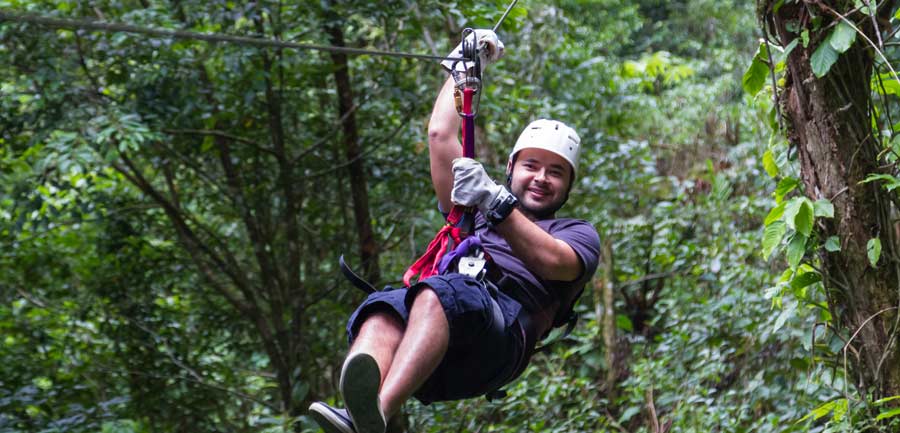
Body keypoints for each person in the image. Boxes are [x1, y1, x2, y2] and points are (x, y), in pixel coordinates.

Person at [308, 30, 600, 433]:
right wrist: (461, 65)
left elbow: (553, 261)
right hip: (436, 350)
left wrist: (495, 203)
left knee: (438, 294)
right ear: (511, 168)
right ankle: (358, 412)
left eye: (556, 172)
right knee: (383, 309)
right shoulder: (471, 211)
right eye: (531, 165)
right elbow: (441, 136)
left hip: (499, 342)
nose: (541, 178)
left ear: (568, 186)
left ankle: (377, 413)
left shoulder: (577, 233)